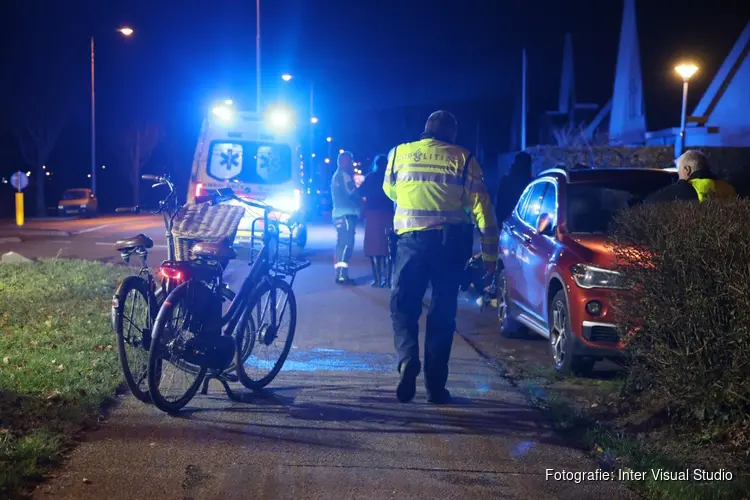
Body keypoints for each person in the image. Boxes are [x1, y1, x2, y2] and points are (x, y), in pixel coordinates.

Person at [383, 110, 498, 404]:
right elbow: (483, 209)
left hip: (411, 242)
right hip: (451, 246)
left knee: (404, 305)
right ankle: (435, 388)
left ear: (425, 130)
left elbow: (390, 190)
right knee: (442, 315)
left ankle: (407, 359)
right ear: (452, 133)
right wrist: (489, 254)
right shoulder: (464, 159)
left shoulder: (399, 153)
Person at [646, 150, 736, 203]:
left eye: (679, 172)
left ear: (687, 170)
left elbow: (651, 202)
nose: (679, 176)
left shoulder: (688, 187)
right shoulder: (727, 187)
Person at [359, 154, 395, 287]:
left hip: (372, 215)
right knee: (388, 248)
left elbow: (360, 192)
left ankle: (377, 279)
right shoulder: (390, 178)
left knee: (373, 248)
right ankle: (388, 280)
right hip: (388, 215)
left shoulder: (370, 177)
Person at [331, 151, 360, 284]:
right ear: (343, 162)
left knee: (341, 244)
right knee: (347, 245)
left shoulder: (336, 175)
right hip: (346, 214)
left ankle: (340, 273)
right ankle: (342, 275)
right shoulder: (344, 176)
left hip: (339, 213)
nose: (351, 164)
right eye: (349, 161)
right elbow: (352, 193)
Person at [495, 151, 532, 224]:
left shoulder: (506, 180)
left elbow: (499, 205)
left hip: (511, 221)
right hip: (514, 221)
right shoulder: (529, 182)